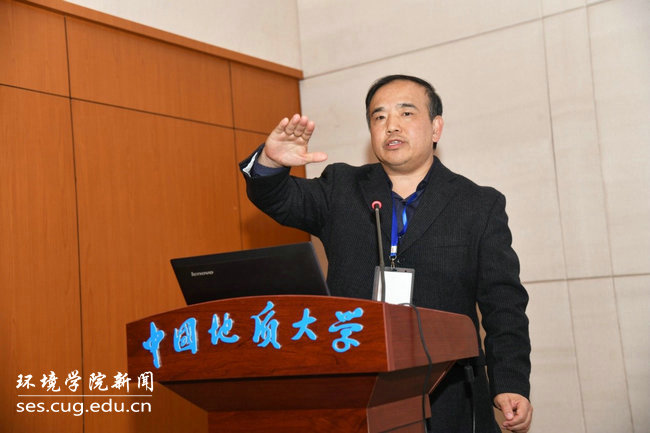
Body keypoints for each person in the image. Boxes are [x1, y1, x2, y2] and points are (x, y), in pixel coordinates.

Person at [239, 75, 532, 433]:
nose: (391, 125)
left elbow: (504, 303)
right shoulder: (340, 187)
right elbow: (277, 198)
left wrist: (511, 382)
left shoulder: (478, 204)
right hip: (357, 391)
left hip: (451, 396)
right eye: (379, 117)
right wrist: (271, 162)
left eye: (406, 113)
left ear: (436, 127)